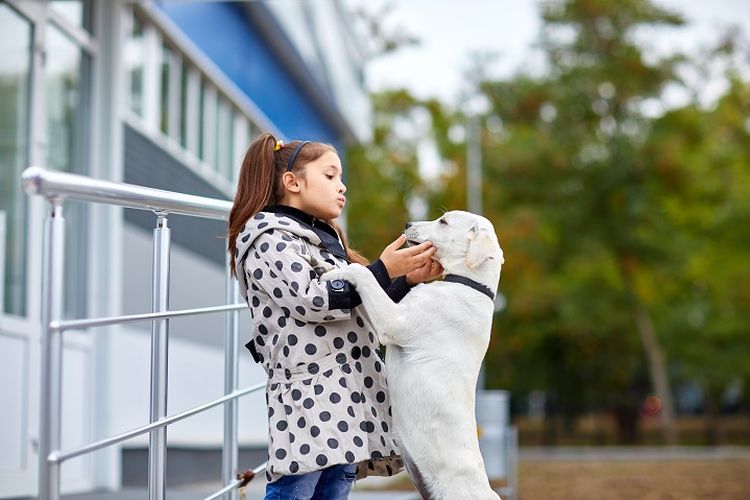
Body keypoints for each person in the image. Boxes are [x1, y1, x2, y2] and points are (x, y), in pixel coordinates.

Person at [227, 133, 442, 499]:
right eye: (330, 176)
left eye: (341, 179)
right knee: (295, 489)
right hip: (310, 400)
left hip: (346, 399)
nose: (341, 188)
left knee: (335, 487)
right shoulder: (269, 239)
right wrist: (382, 271)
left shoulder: (325, 241)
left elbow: (354, 306)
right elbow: (314, 300)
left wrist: (403, 279)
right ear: (292, 182)